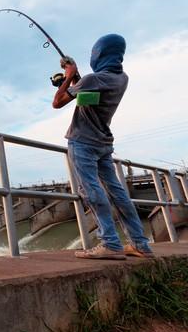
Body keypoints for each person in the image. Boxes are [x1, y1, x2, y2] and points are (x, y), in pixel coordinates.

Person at [52, 34, 154, 259]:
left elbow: (57, 103)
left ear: (99, 54)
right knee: (117, 192)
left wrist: (68, 77)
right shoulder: (122, 79)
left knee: (90, 190)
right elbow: (89, 99)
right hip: (104, 142)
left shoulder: (92, 80)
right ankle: (140, 243)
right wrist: (75, 79)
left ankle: (110, 243)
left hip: (83, 142)